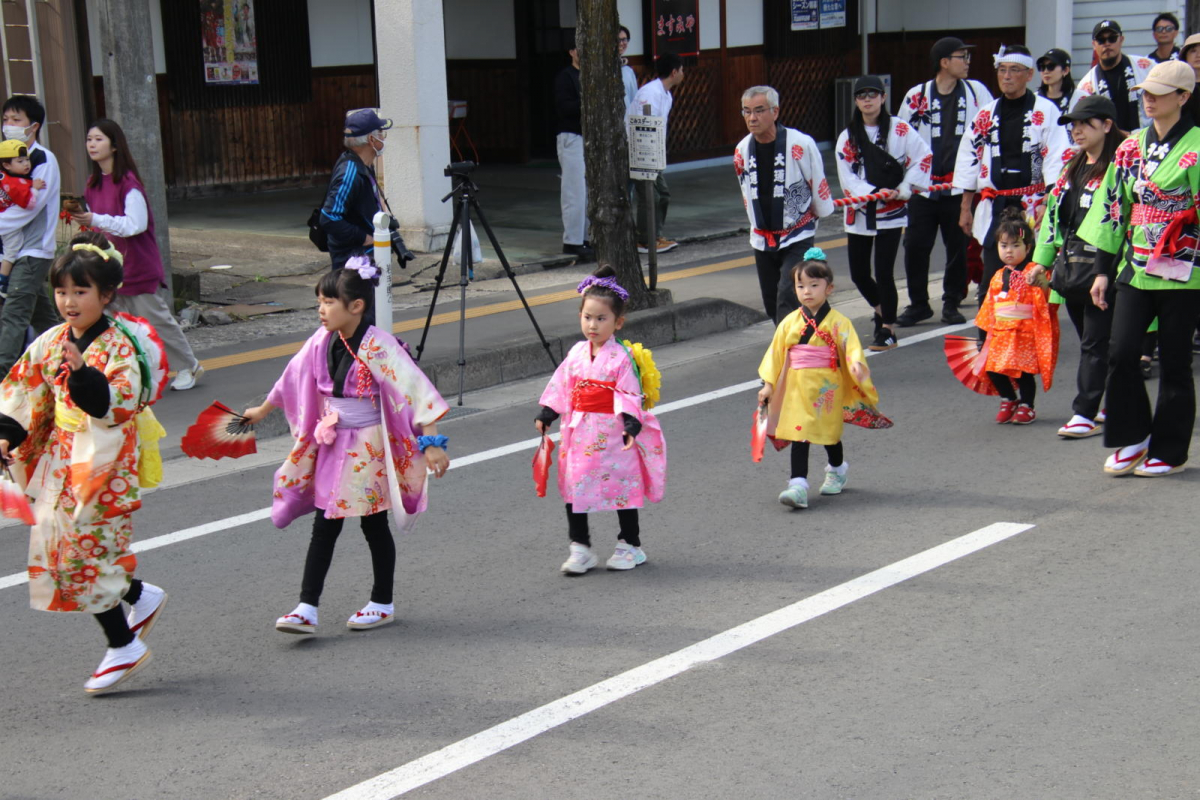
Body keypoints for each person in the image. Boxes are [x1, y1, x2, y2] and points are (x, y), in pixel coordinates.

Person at [0, 236, 170, 694]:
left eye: (80, 291)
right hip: (64, 459)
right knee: (70, 548)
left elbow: (117, 406)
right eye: (61, 292)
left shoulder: (118, 347)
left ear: (107, 294)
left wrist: (82, 376)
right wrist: (6, 434)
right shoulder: (53, 340)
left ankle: (123, 645)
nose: (68, 302)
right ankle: (138, 595)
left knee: (80, 552)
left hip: (103, 462)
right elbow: (25, 392)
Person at [244, 260, 449, 634]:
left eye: (329, 302)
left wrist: (432, 443)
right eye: (319, 303)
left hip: (368, 444)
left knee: (372, 524)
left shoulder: (380, 345)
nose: (322, 310)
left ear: (356, 306)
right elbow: (293, 375)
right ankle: (307, 606)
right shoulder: (321, 341)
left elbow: (415, 390)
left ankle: (381, 601)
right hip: (334, 442)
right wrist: (262, 409)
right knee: (325, 524)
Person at [1078, 60, 1200, 477]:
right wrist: (1100, 271)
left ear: (1183, 97)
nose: (1148, 98)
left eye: (1159, 92)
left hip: (1186, 269)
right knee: (1122, 352)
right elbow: (1114, 210)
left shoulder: (1198, 146)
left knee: (1177, 361)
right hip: (1136, 267)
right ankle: (1133, 438)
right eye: (1146, 91)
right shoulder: (1130, 147)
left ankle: (1169, 449)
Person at [534, 265, 667, 574]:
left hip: (613, 429)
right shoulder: (577, 352)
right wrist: (549, 412)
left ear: (618, 323)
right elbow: (562, 385)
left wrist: (631, 424)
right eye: (587, 317)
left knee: (623, 486)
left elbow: (630, 393)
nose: (592, 325)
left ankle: (630, 544)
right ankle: (580, 546)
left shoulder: (621, 357)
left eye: (601, 318)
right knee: (575, 486)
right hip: (579, 430)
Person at [71, 119, 205, 391]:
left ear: (115, 145)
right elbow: (100, 225)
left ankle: (189, 365)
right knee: (112, 324)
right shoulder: (92, 183)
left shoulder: (128, 184)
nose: (92, 145)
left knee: (157, 321)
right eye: (89, 140)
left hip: (137, 266)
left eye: (98, 139)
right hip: (107, 267)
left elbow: (136, 224)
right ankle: (124, 372)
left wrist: (95, 217)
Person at [756, 247, 886, 510]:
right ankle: (798, 485)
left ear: (829, 288)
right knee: (798, 433)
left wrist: (857, 366)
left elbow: (851, 349)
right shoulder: (790, 322)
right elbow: (776, 354)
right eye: (800, 285)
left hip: (827, 385)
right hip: (796, 386)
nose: (807, 291)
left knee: (829, 434)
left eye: (814, 285)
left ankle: (837, 469)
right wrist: (769, 384)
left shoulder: (839, 322)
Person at [1031, 95, 1123, 438]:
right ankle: (1112, 401)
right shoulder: (1074, 164)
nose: (1077, 130)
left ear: (1107, 125)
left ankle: (1084, 411)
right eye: (1073, 124)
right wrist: (1041, 262)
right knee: (1094, 340)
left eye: (1085, 122)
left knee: (1096, 342)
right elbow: (1055, 219)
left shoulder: (1122, 163)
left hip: (1109, 266)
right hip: (1072, 269)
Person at [956, 45, 1071, 308]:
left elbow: (1057, 158)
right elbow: (968, 158)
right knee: (993, 276)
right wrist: (965, 206)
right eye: (1002, 70)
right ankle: (988, 340)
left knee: (1032, 272)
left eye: (1014, 71)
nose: (1006, 76)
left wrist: (1047, 200)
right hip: (995, 203)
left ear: (1029, 74)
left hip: (1032, 202)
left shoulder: (1046, 110)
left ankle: (1030, 338)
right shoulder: (986, 113)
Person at [897, 37, 993, 327]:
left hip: (959, 185)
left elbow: (990, 131)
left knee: (958, 247)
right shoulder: (917, 96)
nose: (967, 62)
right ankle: (918, 304)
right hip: (924, 187)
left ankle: (951, 301)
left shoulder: (977, 92)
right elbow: (901, 136)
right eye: (961, 56)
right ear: (944, 62)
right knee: (915, 246)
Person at [836, 75, 932, 351]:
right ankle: (881, 310)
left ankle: (887, 327)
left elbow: (923, 158)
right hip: (862, 209)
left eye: (873, 94)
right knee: (859, 273)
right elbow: (848, 177)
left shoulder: (900, 130)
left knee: (884, 270)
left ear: (883, 97)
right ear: (856, 100)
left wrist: (903, 187)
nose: (867, 99)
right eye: (862, 95)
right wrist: (875, 190)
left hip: (892, 210)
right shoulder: (848, 137)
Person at [734, 85, 835, 323]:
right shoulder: (742, 149)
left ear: (775, 111)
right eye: (746, 112)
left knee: (788, 293)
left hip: (797, 231)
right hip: (762, 235)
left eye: (759, 111)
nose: (752, 118)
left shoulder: (800, 143)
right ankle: (808, 332)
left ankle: (791, 350)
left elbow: (816, 179)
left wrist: (817, 213)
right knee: (771, 300)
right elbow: (745, 191)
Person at [975, 207, 1057, 424]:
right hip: (1001, 331)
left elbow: (1047, 298)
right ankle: (1008, 398)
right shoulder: (998, 275)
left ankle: (1027, 405)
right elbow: (988, 307)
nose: (1009, 251)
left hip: (1025, 331)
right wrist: (982, 335)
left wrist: (1041, 285)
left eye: (1015, 245)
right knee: (993, 368)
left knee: (1023, 372)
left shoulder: (1034, 271)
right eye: (1003, 246)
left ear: (1028, 247)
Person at [0, 95, 61, 377]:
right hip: (11, 251)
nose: (8, 125)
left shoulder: (42, 159)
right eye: (5, 120)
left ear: (33, 126)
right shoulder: (5, 157)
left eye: (16, 120)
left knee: (13, 315)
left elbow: (28, 209)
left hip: (33, 251)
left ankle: (2, 376)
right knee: (44, 318)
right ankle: (73, 361)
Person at [320, 108, 393, 270]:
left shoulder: (363, 164)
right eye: (380, 133)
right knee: (356, 296)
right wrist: (365, 238)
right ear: (371, 139)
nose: (383, 137)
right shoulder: (350, 172)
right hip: (354, 258)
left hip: (365, 254)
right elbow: (328, 217)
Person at [627, 53, 684, 254]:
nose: (683, 74)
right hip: (640, 149)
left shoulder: (665, 94)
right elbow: (643, 123)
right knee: (649, 195)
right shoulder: (650, 93)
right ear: (674, 72)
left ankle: (655, 235)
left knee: (662, 194)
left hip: (654, 151)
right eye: (681, 70)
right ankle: (644, 239)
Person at [1070, 20, 1154, 132]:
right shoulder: (1087, 85)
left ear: (1121, 40)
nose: (1107, 43)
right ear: (1094, 45)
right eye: (1101, 40)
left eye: (1112, 38)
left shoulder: (1145, 66)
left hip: (1146, 138)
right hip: (1108, 145)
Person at [554, 36, 593, 262]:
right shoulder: (565, 77)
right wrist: (586, 103)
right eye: (579, 48)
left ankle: (584, 238)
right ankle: (572, 241)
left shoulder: (587, 76)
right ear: (571, 52)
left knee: (587, 191)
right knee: (574, 191)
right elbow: (564, 107)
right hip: (570, 136)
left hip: (586, 137)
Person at [0, 139, 45, 298]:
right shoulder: (14, 183)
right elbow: (30, 204)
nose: (26, 164)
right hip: (7, 225)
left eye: (27, 159)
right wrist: (35, 189)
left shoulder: (4, 177)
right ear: (6, 165)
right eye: (20, 161)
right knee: (11, 251)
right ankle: (3, 282)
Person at [1037, 48, 1075, 116]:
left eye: (1051, 66)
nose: (1045, 71)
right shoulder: (1034, 100)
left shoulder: (1079, 98)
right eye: (1042, 67)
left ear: (1066, 70)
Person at [619, 25, 638, 111]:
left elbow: (634, 100)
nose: (621, 43)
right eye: (618, 40)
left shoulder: (628, 71)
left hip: (627, 121)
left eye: (624, 39)